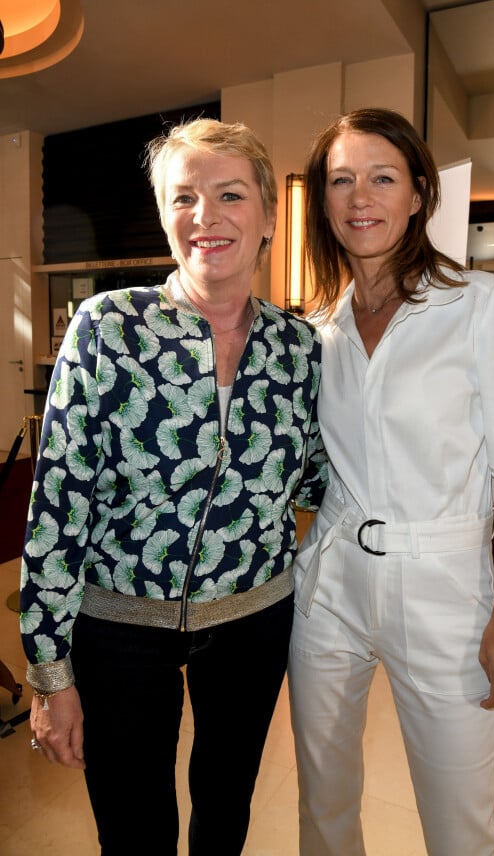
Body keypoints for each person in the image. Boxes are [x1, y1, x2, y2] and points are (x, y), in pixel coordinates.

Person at [20, 118, 326, 856]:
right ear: (163, 213)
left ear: (267, 217)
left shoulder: (300, 347)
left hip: (254, 620)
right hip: (117, 626)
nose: (206, 217)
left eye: (229, 195)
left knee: (226, 809)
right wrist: (49, 670)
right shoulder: (107, 327)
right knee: (132, 823)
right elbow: (58, 503)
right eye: (183, 197)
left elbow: (321, 475)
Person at [287, 108, 494, 856]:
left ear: (417, 195)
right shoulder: (319, 326)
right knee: (324, 799)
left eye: (381, 177)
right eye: (341, 181)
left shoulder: (479, 305)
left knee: (459, 819)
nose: (359, 197)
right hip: (332, 581)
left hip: (443, 586)